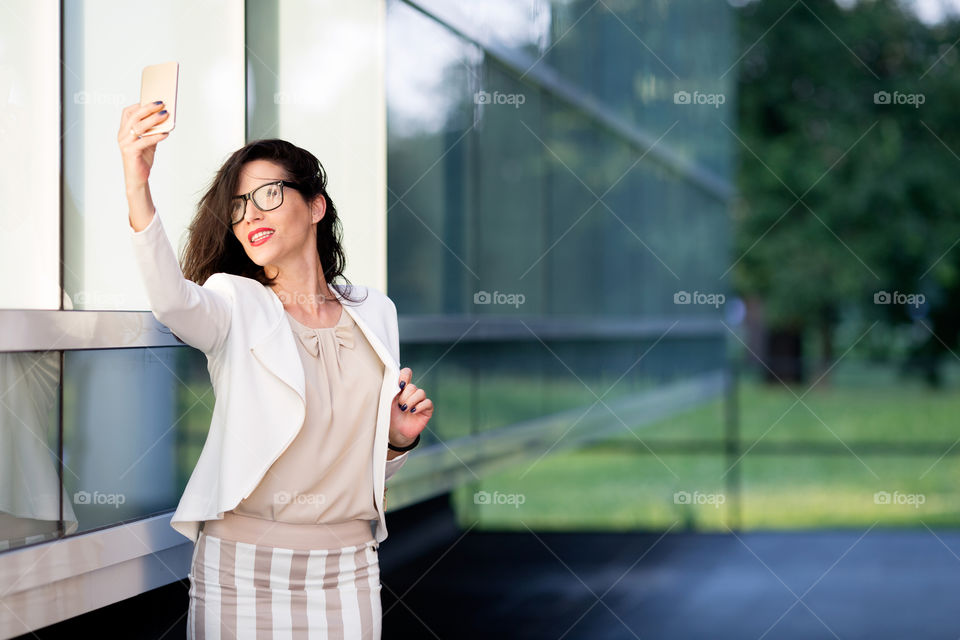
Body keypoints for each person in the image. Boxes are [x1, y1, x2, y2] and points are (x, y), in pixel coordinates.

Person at [117, 101, 432, 638]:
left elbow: (351, 460)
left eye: (267, 195)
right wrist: (136, 180)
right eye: (237, 207)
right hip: (242, 567)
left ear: (315, 207)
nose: (251, 214)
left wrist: (396, 444)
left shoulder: (375, 311)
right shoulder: (234, 301)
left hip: (347, 565)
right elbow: (171, 301)